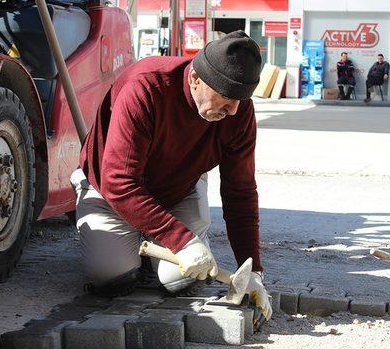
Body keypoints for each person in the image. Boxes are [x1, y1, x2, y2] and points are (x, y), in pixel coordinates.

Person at [71, 30, 272, 320]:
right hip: (112, 191)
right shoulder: (145, 89)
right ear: (194, 79)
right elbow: (119, 183)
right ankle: (137, 244)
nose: (232, 110)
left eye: (240, 100)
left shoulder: (237, 111)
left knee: (176, 278)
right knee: (110, 275)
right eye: (225, 98)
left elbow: (239, 191)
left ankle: (160, 239)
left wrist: (253, 269)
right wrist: (183, 241)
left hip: (178, 189)